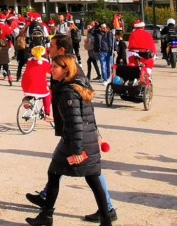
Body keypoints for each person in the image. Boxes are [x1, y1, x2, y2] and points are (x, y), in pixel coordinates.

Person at [28, 35, 117, 222]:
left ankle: (107, 210)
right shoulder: (63, 70)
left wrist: (89, 136)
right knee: (65, 171)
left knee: (90, 173)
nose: (48, 48)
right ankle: (48, 203)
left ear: (61, 51)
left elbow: (81, 110)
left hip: (78, 135)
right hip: (76, 132)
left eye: (51, 45)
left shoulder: (73, 75)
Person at [20, 45, 52, 123]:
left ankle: (26, 102)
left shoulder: (30, 62)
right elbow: (52, 72)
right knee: (47, 94)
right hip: (38, 85)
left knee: (30, 94)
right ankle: (47, 114)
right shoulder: (44, 63)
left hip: (26, 84)